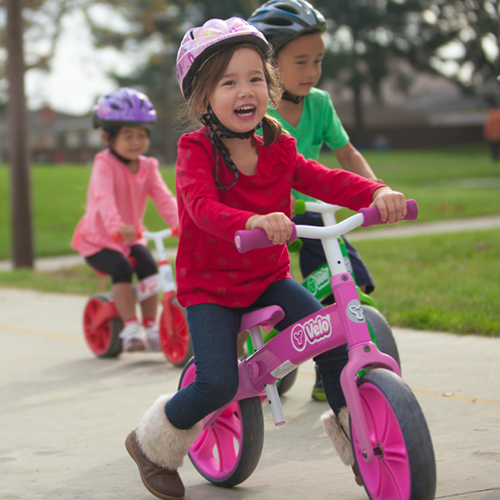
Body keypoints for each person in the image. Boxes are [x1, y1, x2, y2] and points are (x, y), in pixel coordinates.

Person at [124, 18, 407, 500]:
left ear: (269, 86)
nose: (245, 90)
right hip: (211, 286)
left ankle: (359, 439)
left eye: (255, 77)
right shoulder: (195, 151)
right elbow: (200, 207)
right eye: (228, 82)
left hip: (265, 277)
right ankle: (151, 445)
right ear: (203, 101)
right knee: (218, 382)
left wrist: (376, 191)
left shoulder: (278, 147)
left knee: (333, 336)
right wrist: (250, 222)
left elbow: (323, 178)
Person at [248, 0, 382, 401]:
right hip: (268, 219)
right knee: (274, 290)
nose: (312, 72)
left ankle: (332, 370)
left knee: (345, 279)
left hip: (316, 213)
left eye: (318, 61)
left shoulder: (320, 103)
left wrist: (376, 189)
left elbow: (346, 153)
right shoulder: (257, 108)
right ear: (269, 64)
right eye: (301, 61)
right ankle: (281, 342)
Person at [71, 88, 178, 353]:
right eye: (127, 135)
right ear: (107, 136)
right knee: (120, 268)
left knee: (149, 267)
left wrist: (180, 222)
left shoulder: (148, 166)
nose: (135, 142)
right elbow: (104, 197)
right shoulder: (103, 164)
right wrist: (116, 226)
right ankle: (131, 326)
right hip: (99, 239)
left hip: (131, 238)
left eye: (141, 135)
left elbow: (163, 197)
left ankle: (152, 326)